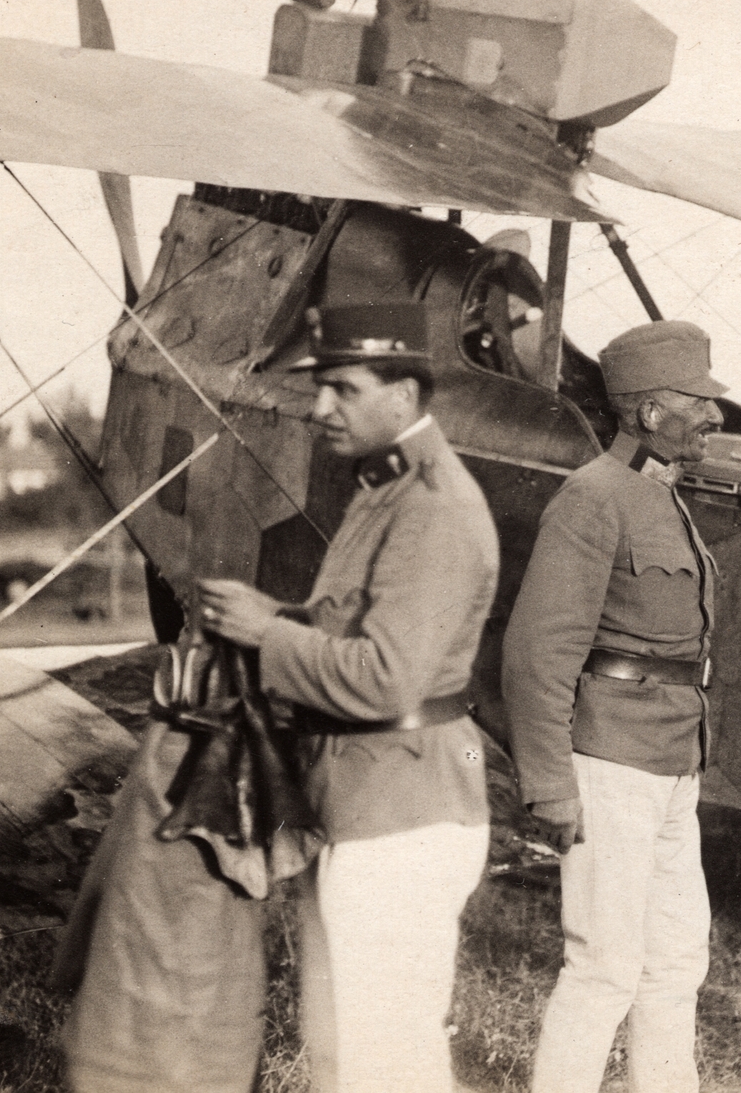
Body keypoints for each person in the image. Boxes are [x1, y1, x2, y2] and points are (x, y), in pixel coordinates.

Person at [197, 302, 499, 1093]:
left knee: (384, 1059)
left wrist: (268, 635)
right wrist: (278, 622)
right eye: (319, 388)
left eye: (343, 388)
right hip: (371, 799)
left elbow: (389, 677)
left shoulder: (432, 505)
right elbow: (352, 626)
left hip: (402, 811)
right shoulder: (387, 487)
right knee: (345, 1051)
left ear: (403, 393)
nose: (321, 408)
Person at [503, 320, 726, 1093]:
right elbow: (538, 651)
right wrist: (550, 781)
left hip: (669, 759)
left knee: (675, 958)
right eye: (699, 401)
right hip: (609, 760)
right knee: (603, 965)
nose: (715, 415)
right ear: (648, 411)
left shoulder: (659, 494)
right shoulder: (594, 497)